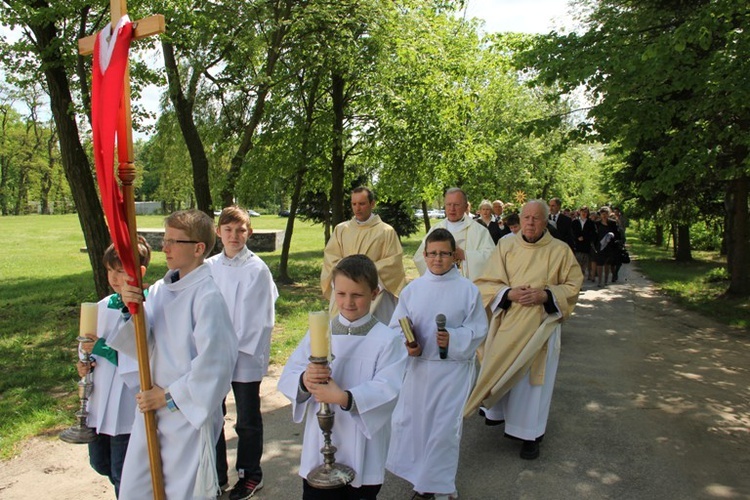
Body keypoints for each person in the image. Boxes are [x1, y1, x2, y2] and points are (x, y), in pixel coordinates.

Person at [110, 209, 238, 499]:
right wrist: (133, 310)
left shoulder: (208, 297)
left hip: (184, 419)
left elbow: (215, 367)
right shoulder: (159, 290)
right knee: (137, 489)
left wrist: (168, 397)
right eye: (164, 239)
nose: (164, 248)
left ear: (198, 248)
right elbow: (143, 345)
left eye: (173, 241)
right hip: (151, 412)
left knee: (182, 491)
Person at [279, 255, 407, 500]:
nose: (347, 302)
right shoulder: (319, 333)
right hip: (319, 444)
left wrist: (343, 397)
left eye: (357, 295)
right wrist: (305, 381)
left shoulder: (387, 340)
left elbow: (388, 388)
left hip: (363, 444)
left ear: (374, 293)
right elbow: (289, 374)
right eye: (341, 294)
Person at [465, 200, 583, 460]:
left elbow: (573, 285)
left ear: (545, 221)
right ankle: (501, 417)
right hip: (508, 323)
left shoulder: (560, 250)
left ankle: (531, 435)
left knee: (532, 383)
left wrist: (546, 295)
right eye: (526, 217)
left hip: (541, 328)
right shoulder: (506, 244)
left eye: (536, 218)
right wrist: (509, 293)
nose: (530, 222)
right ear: (519, 218)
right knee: (505, 369)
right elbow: (487, 281)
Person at [386, 229, 487, 500]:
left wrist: (452, 337)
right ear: (425, 254)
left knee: (444, 431)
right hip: (419, 370)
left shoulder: (468, 290)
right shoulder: (413, 290)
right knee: (418, 427)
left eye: (444, 253)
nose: (437, 259)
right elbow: (396, 327)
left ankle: (430, 488)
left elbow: (478, 329)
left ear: (454, 256)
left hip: (453, 369)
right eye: (432, 253)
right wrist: (408, 344)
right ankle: (431, 481)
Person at [206, 206, 278, 500]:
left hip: (244, 355)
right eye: (228, 230)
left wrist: (230, 349)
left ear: (249, 232)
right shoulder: (208, 267)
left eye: (240, 230)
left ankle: (250, 474)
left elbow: (259, 319)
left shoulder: (257, 269)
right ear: (218, 232)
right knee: (213, 416)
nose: (234, 236)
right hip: (213, 355)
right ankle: (216, 475)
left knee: (247, 419)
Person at [76, 238, 151, 497]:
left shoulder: (146, 309)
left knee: (123, 470)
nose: (114, 277)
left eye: (120, 271)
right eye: (110, 270)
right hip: (99, 402)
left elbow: (141, 356)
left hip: (126, 406)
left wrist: (103, 348)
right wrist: (83, 363)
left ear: (139, 272)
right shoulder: (101, 307)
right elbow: (86, 344)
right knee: (100, 463)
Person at [321, 187, 406, 324]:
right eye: (354, 204)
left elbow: (392, 264)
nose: (357, 208)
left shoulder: (385, 231)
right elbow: (331, 258)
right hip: (345, 291)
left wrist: (365, 275)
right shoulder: (341, 229)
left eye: (362, 204)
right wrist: (347, 275)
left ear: (372, 204)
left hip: (375, 295)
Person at [414, 188, 495, 280]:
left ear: (465, 207)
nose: (452, 209)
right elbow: (420, 257)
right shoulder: (435, 229)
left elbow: (491, 257)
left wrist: (465, 255)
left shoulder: (480, 231)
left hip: (468, 287)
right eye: (449, 204)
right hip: (441, 284)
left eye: (456, 205)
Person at [594, 206, 621, 286]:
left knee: (607, 264)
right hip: (600, 246)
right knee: (599, 264)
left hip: (610, 246)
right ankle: (599, 281)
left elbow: (617, 234)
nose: (604, 215)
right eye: (602, 214)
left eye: (606, 214)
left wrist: (613, 237)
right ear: (600, 215)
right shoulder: (597, 223)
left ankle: (605, 281)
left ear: (608, 214)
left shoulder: (612, 223)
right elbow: (595, 235)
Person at [570, 206, 597, 280]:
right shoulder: (575, 222)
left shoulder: (590, 223)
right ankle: (577, 282)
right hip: (576, 247)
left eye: (586, 212)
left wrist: (585, 238)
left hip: (586, 247)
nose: (584, 213)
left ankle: (581, 281)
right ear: (579, 212)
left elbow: (593, 234)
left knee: (583, 266)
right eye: (582, 211)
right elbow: (571, 233)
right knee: (577, 266)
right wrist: (577, 237)